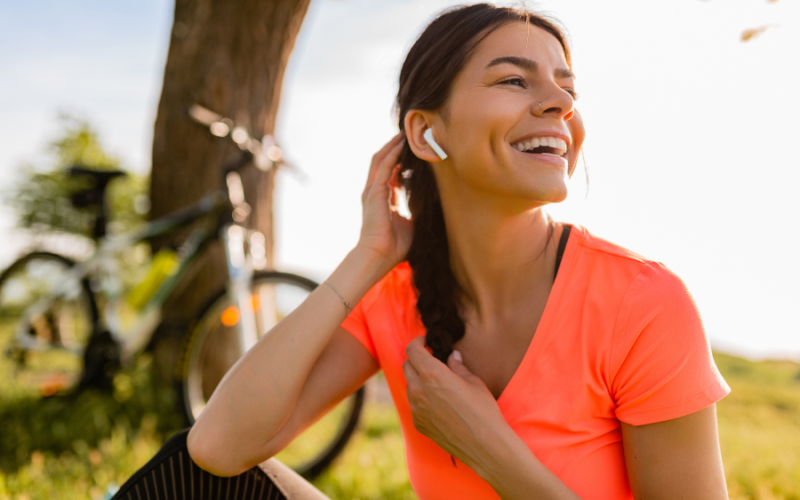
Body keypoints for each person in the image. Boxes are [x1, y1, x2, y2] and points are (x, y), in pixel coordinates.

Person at [112, 4, 731, 499]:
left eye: (567, 87)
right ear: (426, 132)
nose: (561, 104)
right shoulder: (393, 292)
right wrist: (368, 256)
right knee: (193, 483)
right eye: (515, 80)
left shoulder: (642, 302)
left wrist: (491, 451)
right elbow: (217, 449)